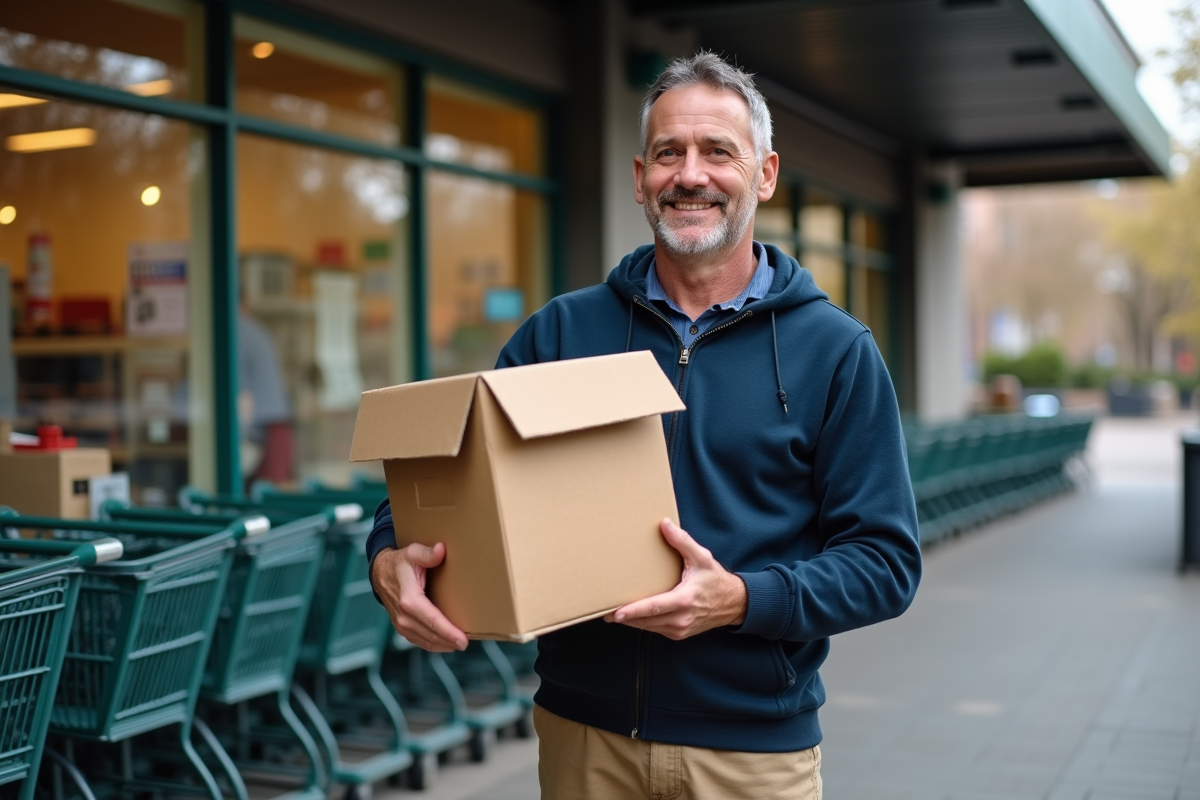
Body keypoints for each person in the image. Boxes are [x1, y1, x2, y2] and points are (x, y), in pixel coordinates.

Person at [367, 52, 922, 799]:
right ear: (640, 177)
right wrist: (386, 560)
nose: (690, 174)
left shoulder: (835, 351)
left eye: (718, 151)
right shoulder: (560, 332)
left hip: (751, 755)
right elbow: (441, 486)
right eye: (669, 153)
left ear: (764, 175)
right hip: (583, 740)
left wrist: (742, 599)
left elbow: (886, 562)